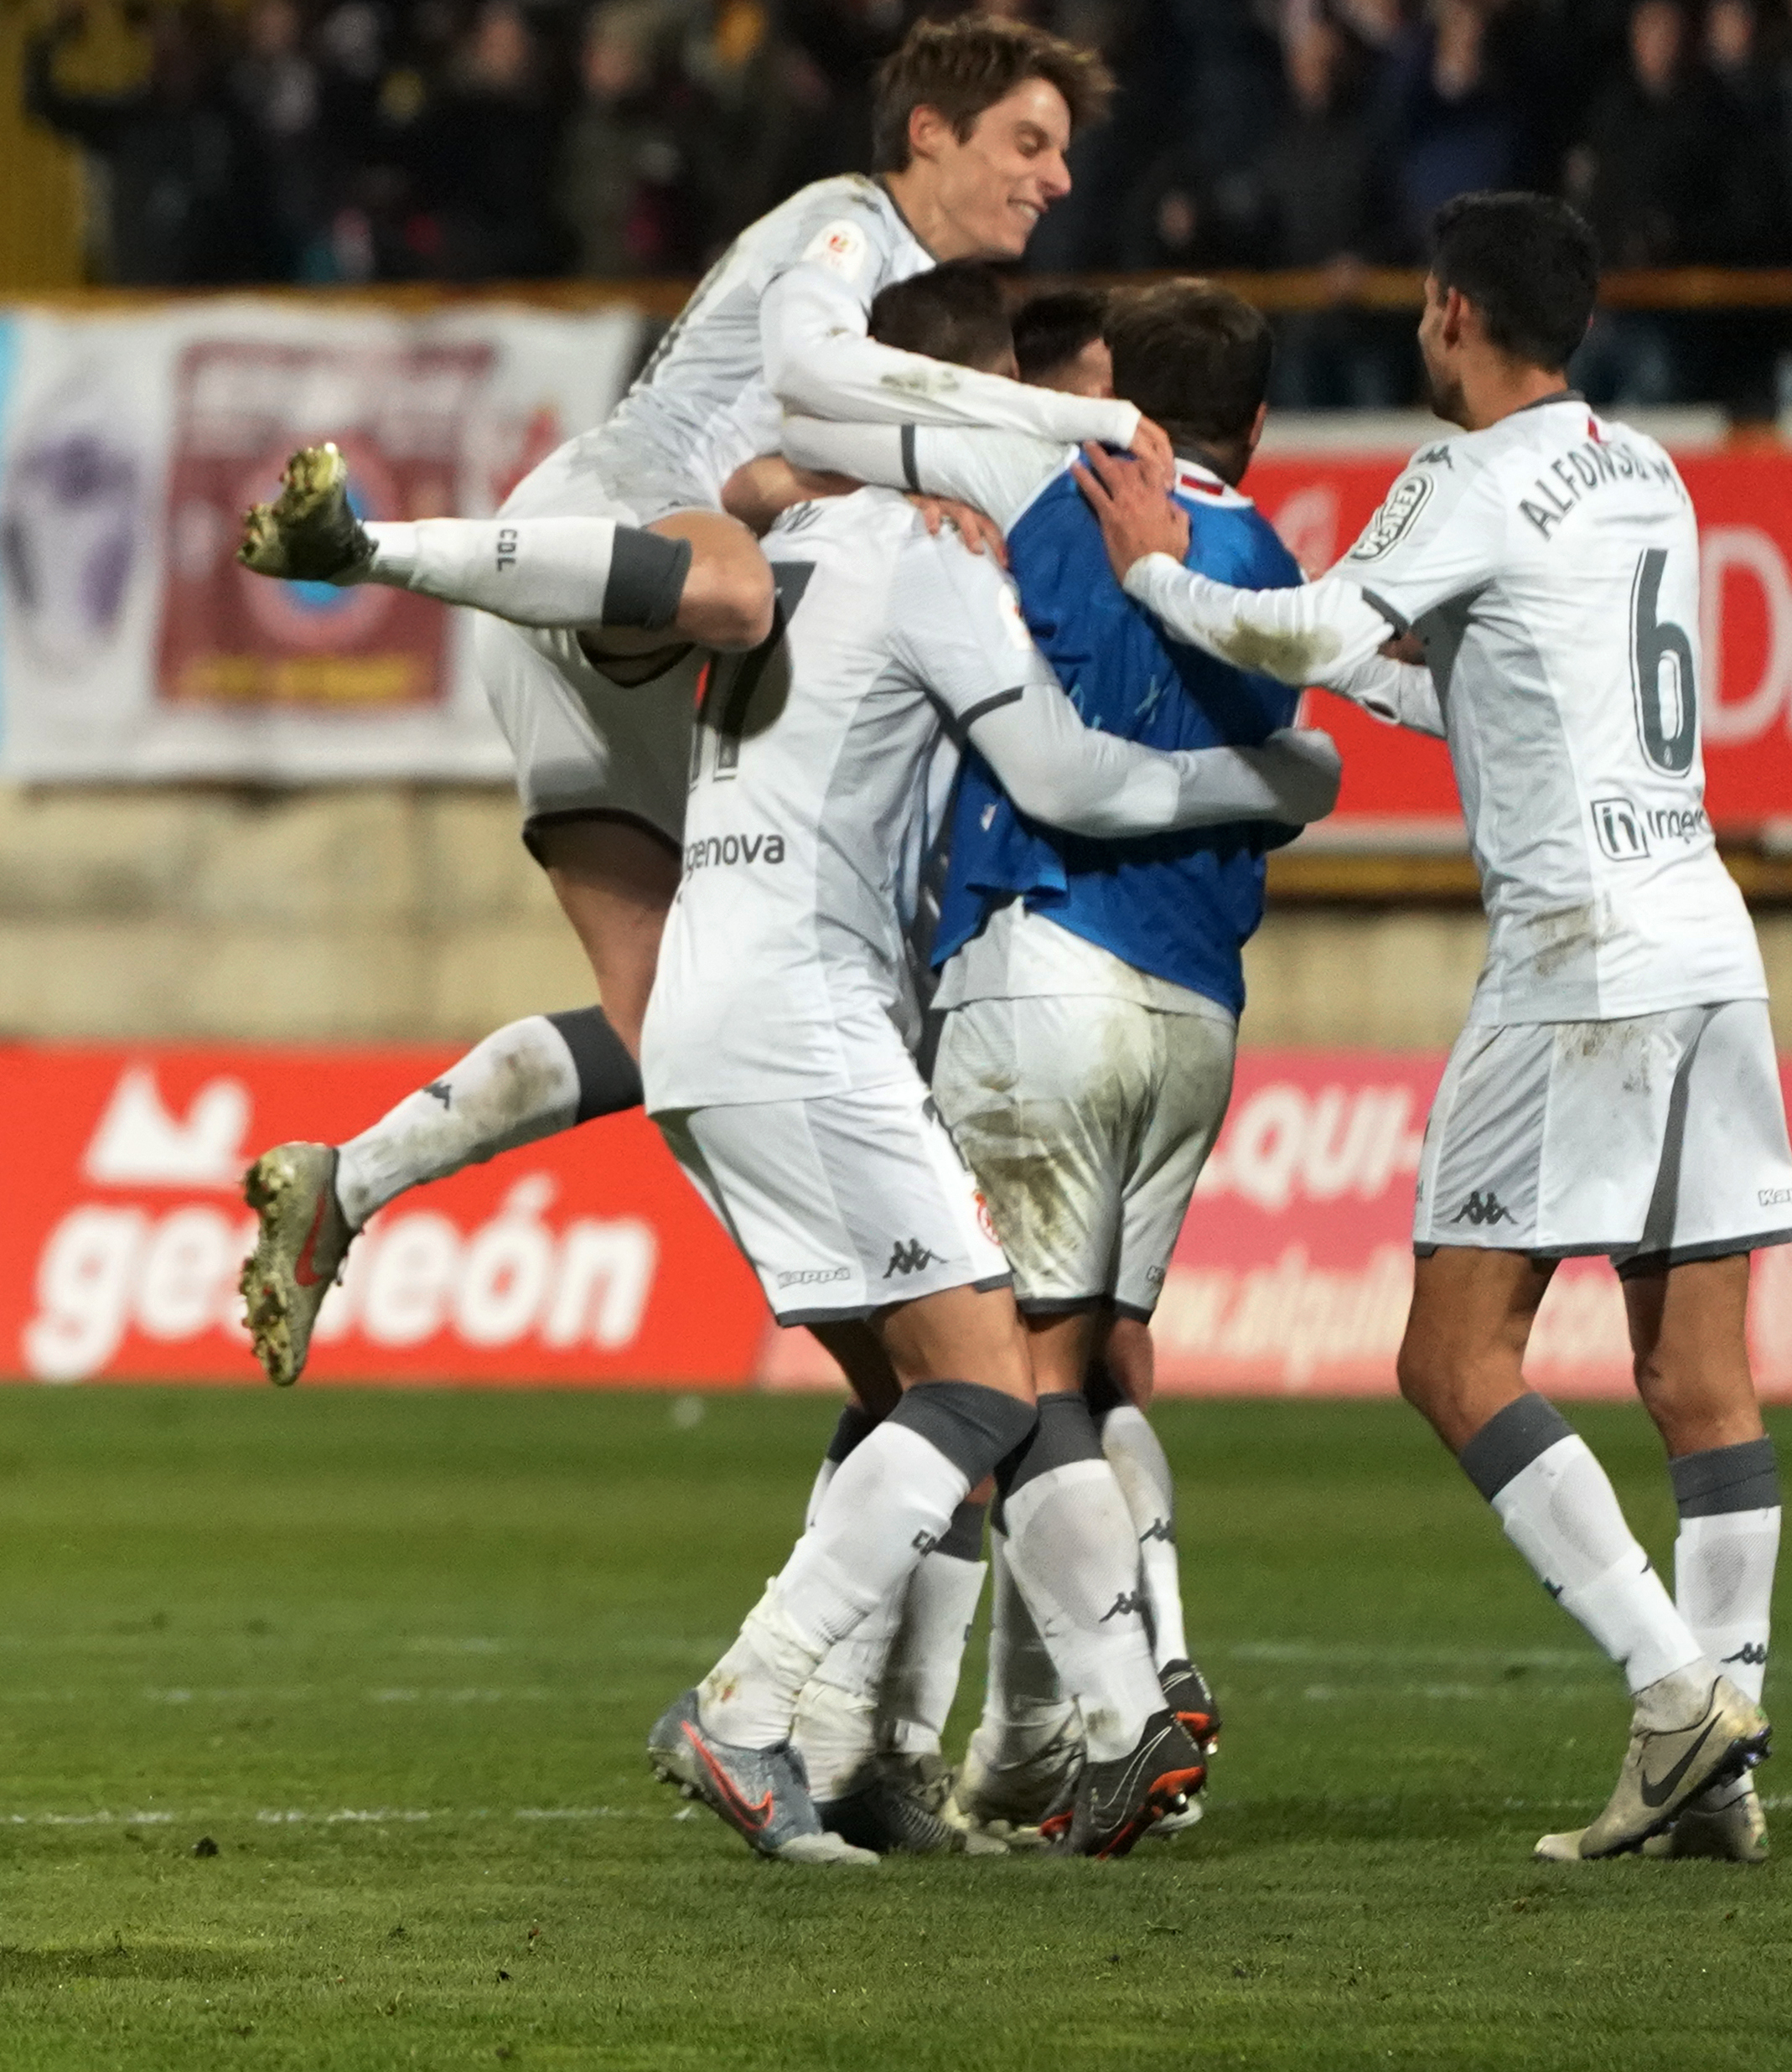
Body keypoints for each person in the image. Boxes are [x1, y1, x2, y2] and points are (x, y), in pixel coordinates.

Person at [228, 18, 1158, 1386]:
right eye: (1027, 144)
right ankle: (368, 548)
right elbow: (792, 398)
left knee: (661, 1021)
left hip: (584, 624)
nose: (1054, 179)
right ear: (927, 135)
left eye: (1062, 154)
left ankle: (347, 1184)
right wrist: (1004, 446)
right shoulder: (851, 231)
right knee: (739, 600)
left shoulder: (919, 298)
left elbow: (784, 466)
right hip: (615, 541)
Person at [1079, 191, 1792, 1865]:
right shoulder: (1643, 471)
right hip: (1704, 937)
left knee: (1450, 1354)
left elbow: (1315, 625)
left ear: (1454, 311)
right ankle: (1724, 1769)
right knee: (1699, 1372)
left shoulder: (1458, 478)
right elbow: (1473, 677)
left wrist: (1162, 578)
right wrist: (1345, 672)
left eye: (1422, 308)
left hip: (1575, 960)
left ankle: (1672, 1685)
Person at [635, 260, 1343, 1866]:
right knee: (1072, 1368)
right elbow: (1317, 735)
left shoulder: (990, 533)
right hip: (1197, 1004)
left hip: (1015, 973)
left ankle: (964, 1723)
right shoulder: (1259, 550)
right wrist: (1277, 778)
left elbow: (1043, 763)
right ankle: (1040, 1719)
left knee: (972, 1372)